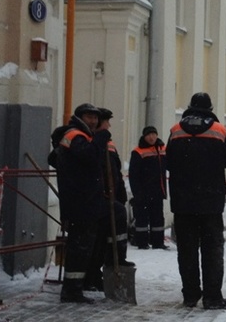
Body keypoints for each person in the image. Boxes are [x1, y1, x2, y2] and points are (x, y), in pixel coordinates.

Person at [49, 103, 133, 304]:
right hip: (80, 202)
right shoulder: (76, 136)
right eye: (89, 117)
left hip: (90, 200)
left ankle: (112, 264)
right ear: (79, 118)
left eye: (96, 118)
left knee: (114, 217)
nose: (94, 121)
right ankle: (72, 289)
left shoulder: (83, 137)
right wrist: (101, 137)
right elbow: (89, 156)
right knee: (80, 246)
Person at [165, 92, 226, 310]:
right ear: (210, 108)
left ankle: (190, 295)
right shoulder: (218, 130)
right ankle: (212, 297)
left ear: (190, 107)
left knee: (186, 250)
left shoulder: (176, 130)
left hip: (183, 202)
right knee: (212, 249)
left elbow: (168, 161)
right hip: (210, 201)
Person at [83, 108, 129, 292]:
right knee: (95, 242)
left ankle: (99, 273)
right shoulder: (92, 142)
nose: (109, 125)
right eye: (107, 121)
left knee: (102, 241)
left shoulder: (108, 143)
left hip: (110, 196)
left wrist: (120, 192)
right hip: (98, 199)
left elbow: (114, 170)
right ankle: (91, 275)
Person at [128, 125, 168, 250]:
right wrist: (137, 192)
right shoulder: (138, 151)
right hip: (144, 191)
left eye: (154, 134)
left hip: (158, 190)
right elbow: (133, 174)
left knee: (158, 218)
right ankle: (142, 242)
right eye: (149, 135)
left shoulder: (162, 149)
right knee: (142, 219)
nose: (152, 137)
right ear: (144, 137)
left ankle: (158, 242)